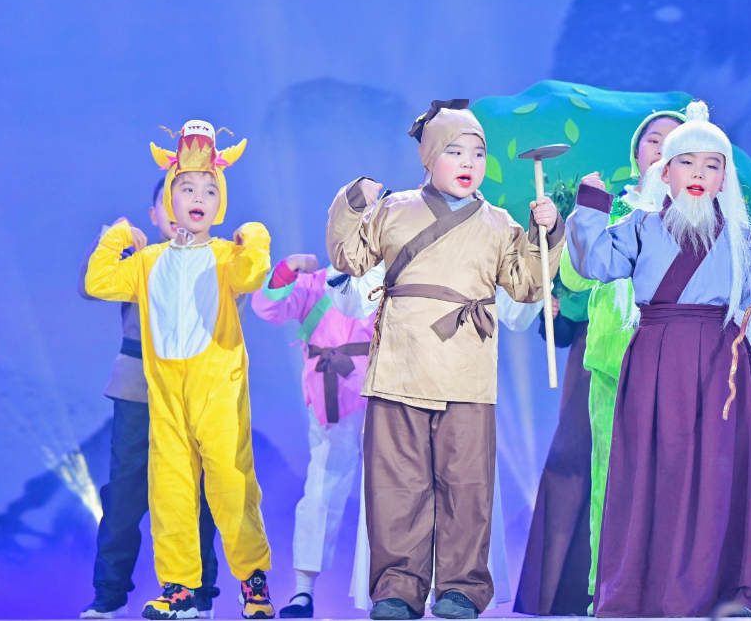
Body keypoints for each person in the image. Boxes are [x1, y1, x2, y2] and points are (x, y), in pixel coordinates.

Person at [325, 99, 563, 621]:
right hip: (400, 365)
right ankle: (396, 589)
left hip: (467, 371)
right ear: (429, 158)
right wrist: (353, 201)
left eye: (477, 153)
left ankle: (461, 588)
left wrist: (546, 232)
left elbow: (528, 284)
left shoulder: (499, 223)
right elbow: (349, 257)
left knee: (466, 484)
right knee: (396, 486)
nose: (468, 162)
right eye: (455, 151)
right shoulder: (394, 209)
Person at [567, 100, 751, 618]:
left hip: (721, 363)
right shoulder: (641, 226)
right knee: (657, 468)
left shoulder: (739, 238)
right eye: (687, 163)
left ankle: (723, 590)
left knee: (716, 471)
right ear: (664, 172)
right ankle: (644, 589)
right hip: (655, 360)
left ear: (724, 178)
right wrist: (591, 206)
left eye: (711, 165)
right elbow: (594, 262)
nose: (698, 174)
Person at [85, 121, 275, 620]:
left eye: (210, 190)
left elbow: (253, 274)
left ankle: (252, 580)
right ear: (168, 201)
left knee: (231, 485)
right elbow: (99, 281)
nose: (198, 197)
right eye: (186, 188)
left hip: (217, 389)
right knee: (169, 489)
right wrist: (115, 237)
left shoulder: (226, 256)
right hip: (164, 393)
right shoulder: (147, 261)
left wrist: (256, 239)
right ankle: (179, 588)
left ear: (220, 203)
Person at [517, 110, 685, 616]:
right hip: (613, 364)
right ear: (636, 154)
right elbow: (575, 275)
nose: (662, 148)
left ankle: (669, 587)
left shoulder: (698, 218)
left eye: (674, 142)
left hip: (677, 366)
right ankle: (606, 589)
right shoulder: (611, 211)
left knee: (675, 478)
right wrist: (582, 217)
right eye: (653, 140)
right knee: (607, 479)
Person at [78, 178, 220, 620]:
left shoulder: (218, 260)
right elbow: (90, 285)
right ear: (156, 212)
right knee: (123, 493)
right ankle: (109, 594)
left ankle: (198, 594)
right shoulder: (136, 260)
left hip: (194, 390)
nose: (186, 204)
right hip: (138, 387)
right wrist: (110, 237)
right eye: (174, 198)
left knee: (199, 493)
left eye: (199, 194)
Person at [250, 253, 378, 618]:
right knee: (322, 488)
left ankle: (394, 589)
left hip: (382, 393)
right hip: (330, 395)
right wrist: (287, 269)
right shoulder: (316, 282)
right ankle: (303, 591)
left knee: (391, 492)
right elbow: (269, 308)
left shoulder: (388, 282)